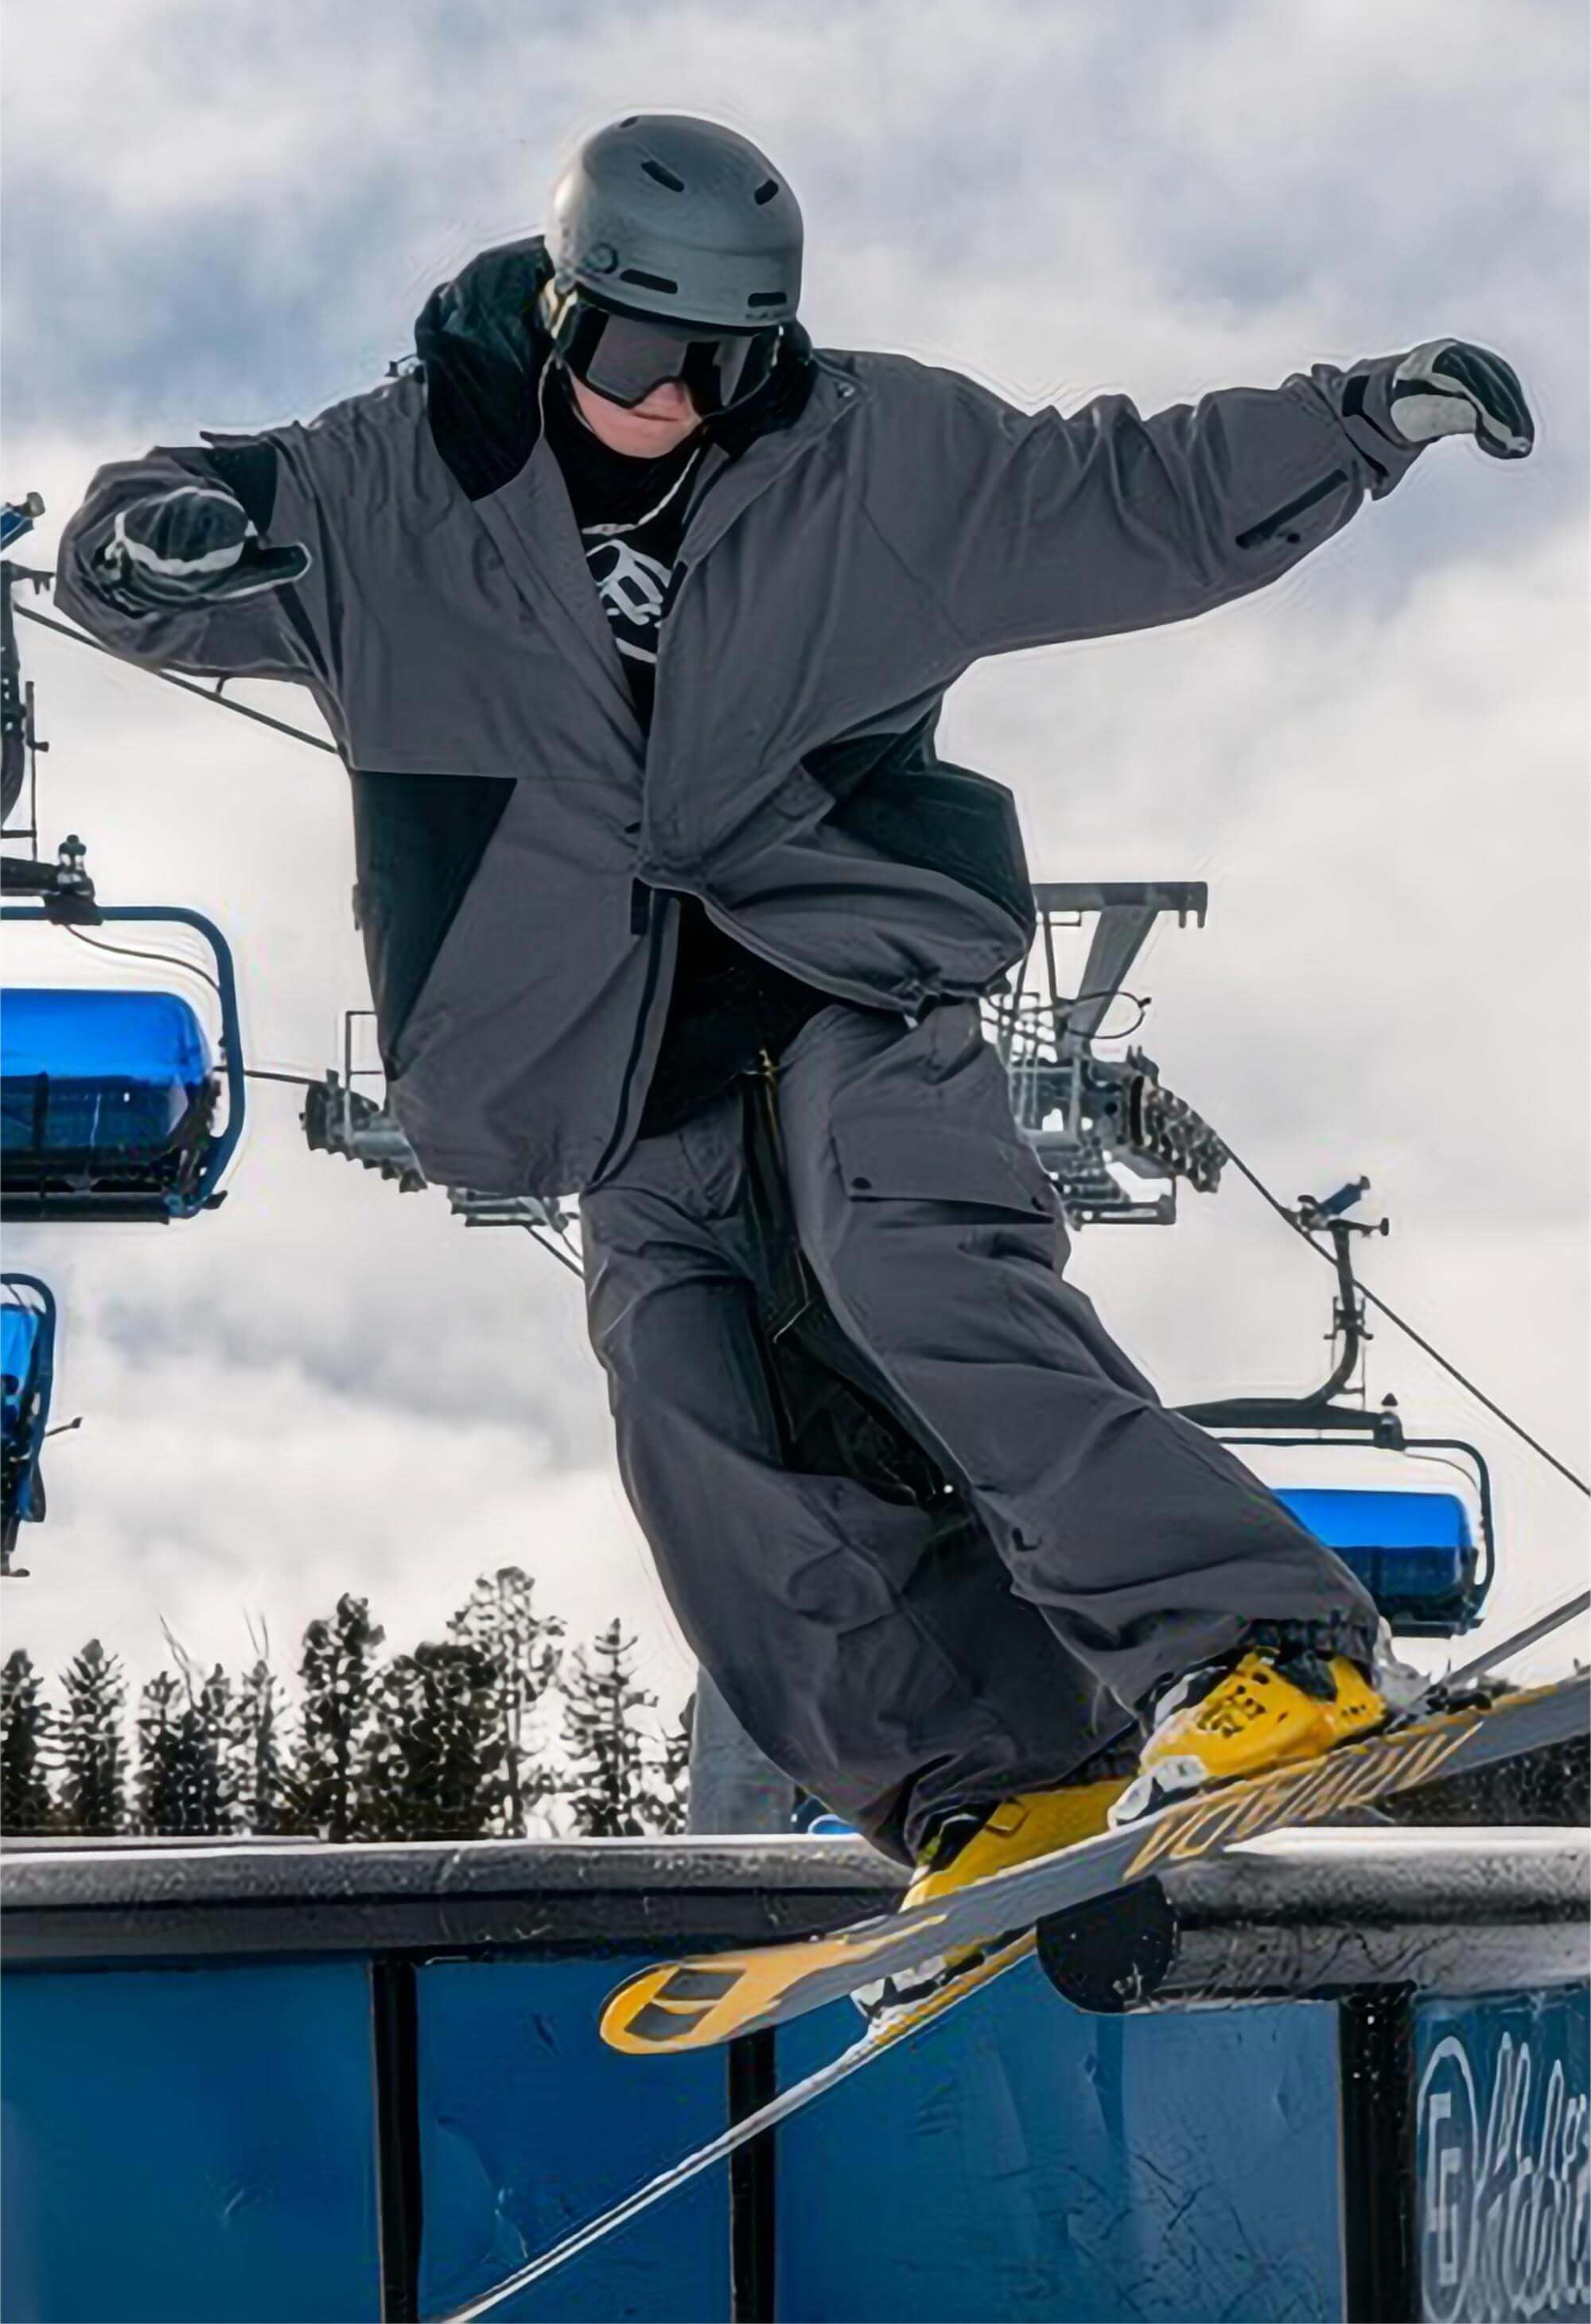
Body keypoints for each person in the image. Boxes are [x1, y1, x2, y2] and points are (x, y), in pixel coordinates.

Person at [56, 115, 1533, 2009]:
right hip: (598, 1056)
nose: (675, 402)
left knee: (912, 1258)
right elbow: (151, 537)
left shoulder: (871, 458)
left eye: (725, 364)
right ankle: (991, 1778)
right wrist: (142, 538)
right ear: (558, 310)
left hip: (843, 974)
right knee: (693, 1421)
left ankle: (1260, 1643)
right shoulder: (388, 483)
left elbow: (1123, 494)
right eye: (635, 358)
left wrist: (1355, 418)